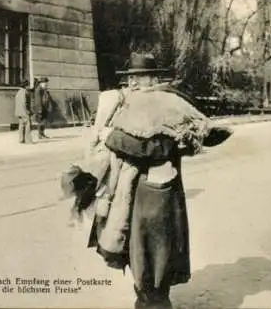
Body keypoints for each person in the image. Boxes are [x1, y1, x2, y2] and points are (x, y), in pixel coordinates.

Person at [66, 52, 231, 309]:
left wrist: (111, 137)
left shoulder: (165, 105)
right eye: (130, 77)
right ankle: (146, 300)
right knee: (140, 255)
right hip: (140, 196)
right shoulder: (137, 105)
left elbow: (156, 149)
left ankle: (154, 302)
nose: (133, 83)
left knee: (154, 257)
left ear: (154, 78)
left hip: (157, 198)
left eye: (139, 77)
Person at [14, 79, 33, 144]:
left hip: (19, 111)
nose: (29, 86)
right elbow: (25, 103)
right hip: (24, 111)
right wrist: (28, 111)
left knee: (21, 125)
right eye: (28, 84)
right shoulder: (25, 92)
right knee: (28, 125)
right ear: (26, 85)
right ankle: (28, 140)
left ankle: (21, 139)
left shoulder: (18, 92)